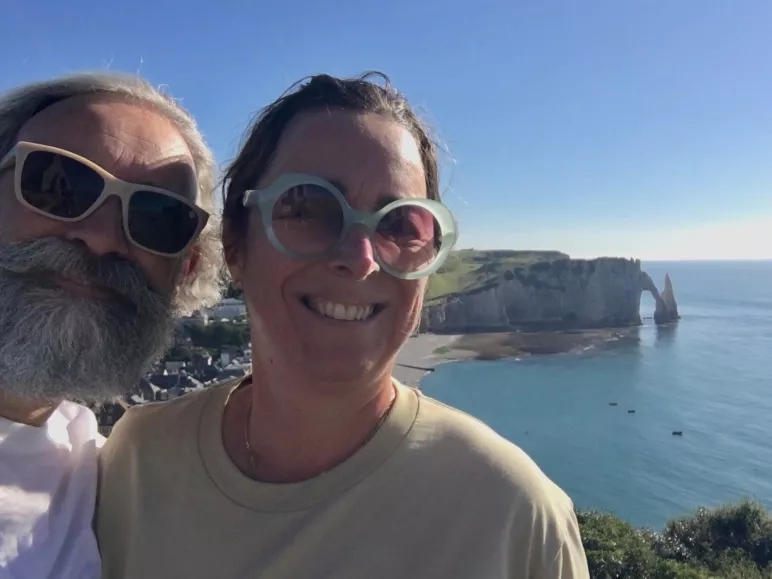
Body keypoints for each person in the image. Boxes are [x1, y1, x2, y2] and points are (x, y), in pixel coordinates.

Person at [97, 72, 589, 579]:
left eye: (401, 224)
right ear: (237, 246)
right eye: (307, 208)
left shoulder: (514, 517)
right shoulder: (138, 460)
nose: (360, 259)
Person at [0, 72, 222, 578]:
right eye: (56, 184)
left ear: (184, 270)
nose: (101, 237)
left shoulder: (110, 487)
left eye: (158, 217)